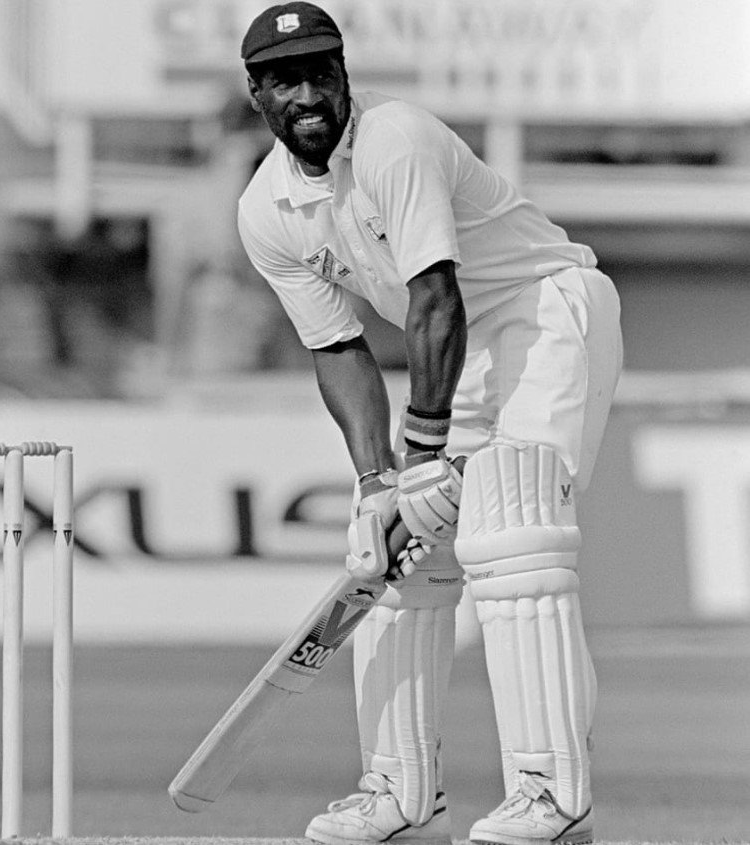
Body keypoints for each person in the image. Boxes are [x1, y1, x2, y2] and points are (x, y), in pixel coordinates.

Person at [236, 4, 623, 845]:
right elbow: (337, 347)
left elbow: (432, 296)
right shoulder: (265, 211)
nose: (308, 94)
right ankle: (401, 796)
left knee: (513, 537)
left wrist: (420, 455)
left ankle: (551, 795)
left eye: (321, 72)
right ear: (257, 92)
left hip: (541, 315)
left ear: (343, 71)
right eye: (286, 79)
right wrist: (380, 481)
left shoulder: (394, 139)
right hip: (461, 352)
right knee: (393, 552)